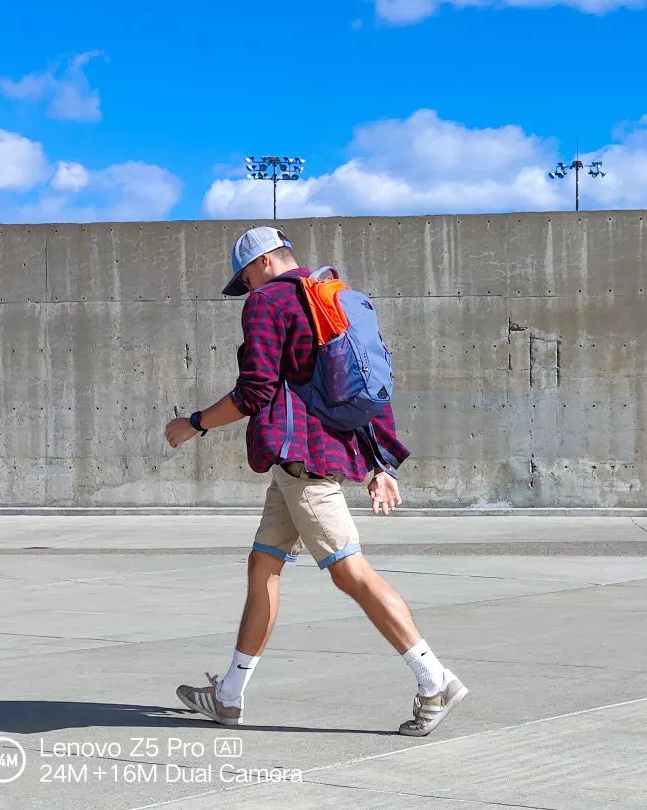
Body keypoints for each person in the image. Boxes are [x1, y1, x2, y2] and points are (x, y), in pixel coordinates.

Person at [165, 226, 467, 736]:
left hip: (300, 463)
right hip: (304, 463)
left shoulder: (268, 304)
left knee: (351, 572)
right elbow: (367, 386)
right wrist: (380, 463)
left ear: (260, 264)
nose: (247, 290)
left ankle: (433, 680)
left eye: (245, 278)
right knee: (263, 566)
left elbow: (256, 389)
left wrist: (192, 424)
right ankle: (229, 696)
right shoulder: (333, 297)